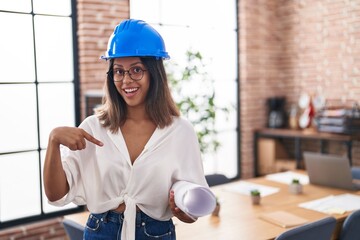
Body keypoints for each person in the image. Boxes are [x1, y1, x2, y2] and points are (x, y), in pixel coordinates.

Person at [43, 19, 209, 240]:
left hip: (156, 233)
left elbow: (193, 208)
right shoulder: (93, 128)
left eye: (136, 70)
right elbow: (55, 195)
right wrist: (53, 141)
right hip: (101, 230)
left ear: (154, 73)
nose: (126, 80)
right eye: (118, 71)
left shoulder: (180, 131)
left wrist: (185, 212)